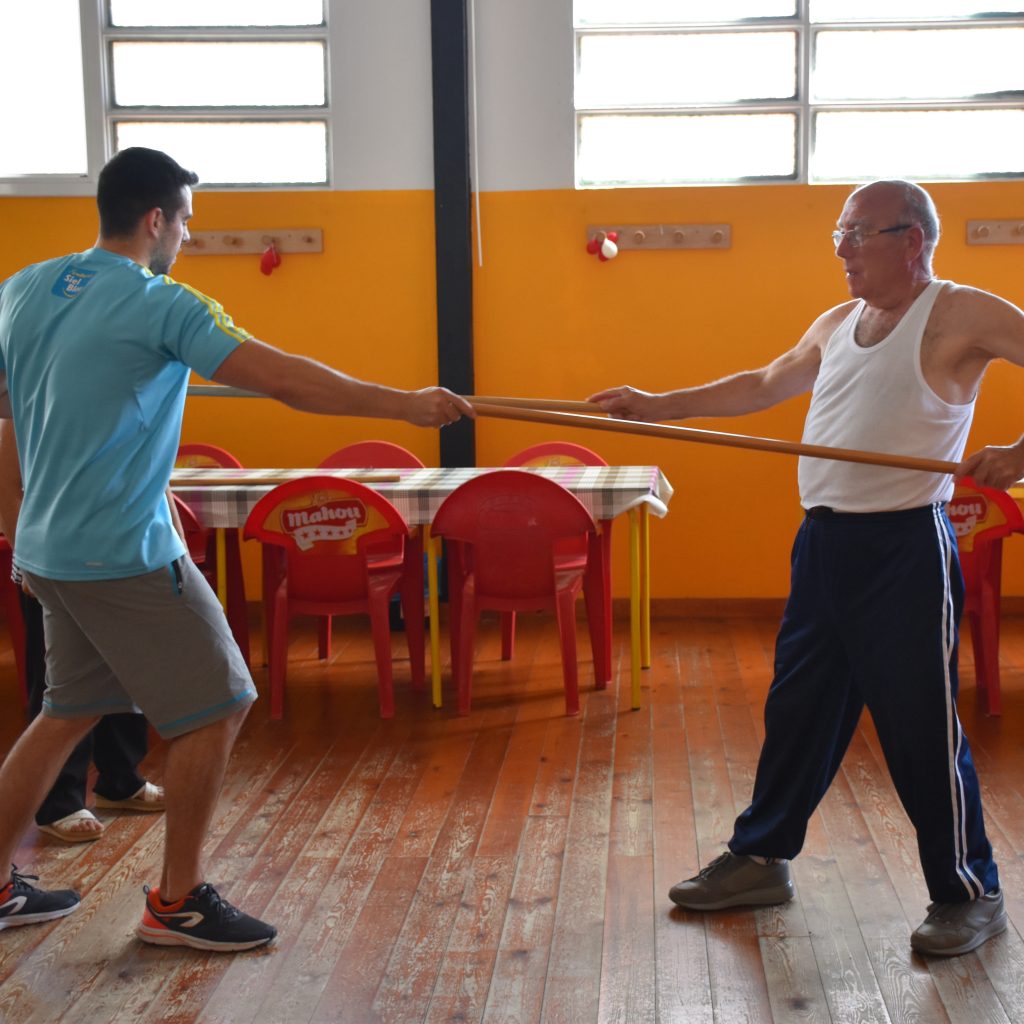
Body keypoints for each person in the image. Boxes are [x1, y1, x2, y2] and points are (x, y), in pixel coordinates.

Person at [0, 146, 473, 950]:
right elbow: (283, 379)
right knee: (222, 703)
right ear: (157, 220)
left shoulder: (24, 288)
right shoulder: (165, 303)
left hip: (49, 549)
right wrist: (404, 405)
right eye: (184, 220)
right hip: (123, 554)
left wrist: (21, 527)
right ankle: (177, 903)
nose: (183, 236)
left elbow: (8, 422)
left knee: (65, 709)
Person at [589, 179, 1024, 958]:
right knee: (800, 710)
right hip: (825, 544)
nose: (842, 248)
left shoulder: (961, 312)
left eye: (857, 234)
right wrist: (658, 406)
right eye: (839, 233)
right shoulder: (838, 322)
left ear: (911, 239)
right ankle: (760, 858)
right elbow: (762, 383)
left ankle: (969, 891)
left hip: (904, 549)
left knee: (921, 727)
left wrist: (1019, 454)